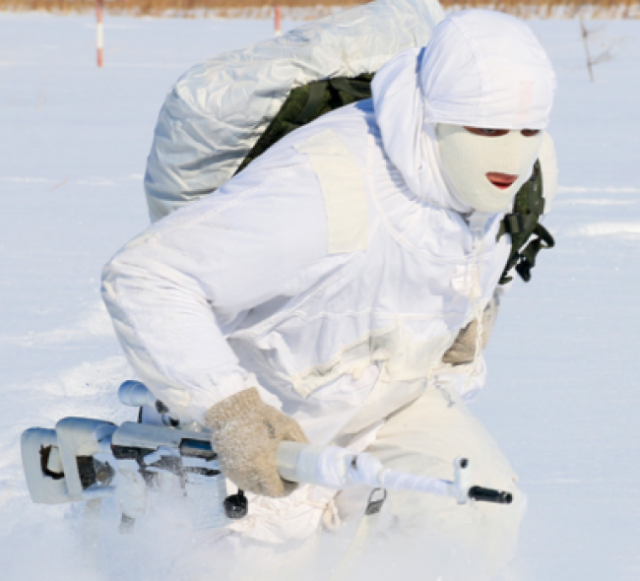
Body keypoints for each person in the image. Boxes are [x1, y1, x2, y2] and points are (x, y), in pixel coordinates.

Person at [101, 9, 557, 580]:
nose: (511, 156)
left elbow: (470, 249)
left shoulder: (525, 172)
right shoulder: (323, 186)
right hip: (263, 425)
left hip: (391, 405)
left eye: (527, 131)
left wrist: (468, 313)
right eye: (485, 130)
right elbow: (149, 276)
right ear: (430, 117)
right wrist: (233, 411)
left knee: (478, 509)